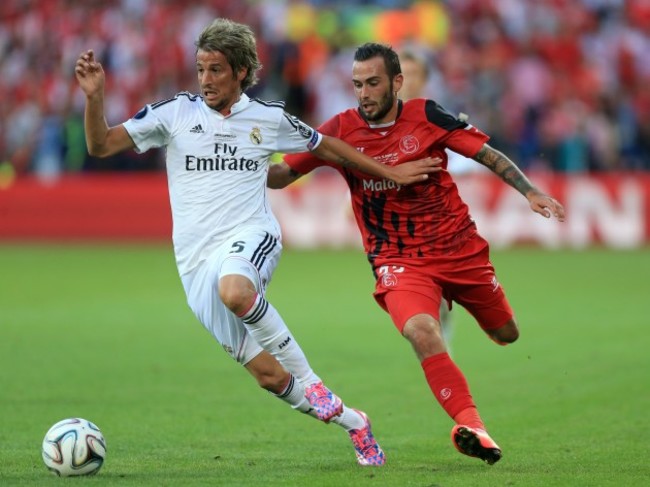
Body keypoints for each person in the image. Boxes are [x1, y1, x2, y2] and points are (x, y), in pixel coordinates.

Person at [74, 20, 438, 467]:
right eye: (201, 69)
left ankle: (313, 380)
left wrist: (390, 172)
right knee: (269, 377)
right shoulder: (173, 114)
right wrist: (95, 99)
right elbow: (100, 145)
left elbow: (330, 148)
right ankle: (355, 423)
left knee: (236, 291)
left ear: (242, 71)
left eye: (217, 70)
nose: (206, 80)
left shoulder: (267, 119)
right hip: (193, 264)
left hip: (251, 236)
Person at [268, 43, 566, 465]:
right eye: (357, 85)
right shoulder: (338, 129)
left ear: (396, 83)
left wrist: (530, 191)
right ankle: (472, 425)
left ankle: (480, 328)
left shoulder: (427, 115)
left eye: (373, 83)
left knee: (507, 333)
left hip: (459, 249)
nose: (364, 93)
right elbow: (283, 174)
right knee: (423, 332)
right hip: (397, 258)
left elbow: (486, 154)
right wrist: (240, 160)